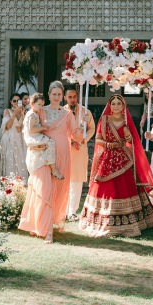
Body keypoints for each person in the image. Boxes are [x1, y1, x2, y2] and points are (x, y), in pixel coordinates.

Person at [79, 94, 153, 237]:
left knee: (125, 186)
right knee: (105, 188)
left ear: (123, 106)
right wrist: (109, 145)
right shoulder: (104, 120)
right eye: (113, 103)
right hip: (107, 159)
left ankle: (129, 222)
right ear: (110, 106)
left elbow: (131, 141)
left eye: (119, 103)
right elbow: (97, 139)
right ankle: (102, 221)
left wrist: (128, 135)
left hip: (124, 160)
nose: (116, 106)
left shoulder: (126, 121)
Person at [18, 81, 75, 243]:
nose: (56, 97)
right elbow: (28, 130)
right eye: (54, 94)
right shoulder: (40, 110)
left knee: (56, 190)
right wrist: (34, 145)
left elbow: (75, 134)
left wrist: (85, 127)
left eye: (59, 94)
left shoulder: (68, 114)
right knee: (44, 190)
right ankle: (46, 229)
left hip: (61, 155)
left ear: (63, 96)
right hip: (41, 155)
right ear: (49, 95)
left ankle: (47, 224)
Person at [64, 85, 95, 220]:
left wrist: (83, 140)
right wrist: (70, 141)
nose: (72, 99)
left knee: (76, 182)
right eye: (70, 97)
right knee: (64, 181)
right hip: (65, 149)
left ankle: (72, 211)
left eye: (74, 97)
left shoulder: (85, 112)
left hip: (80, 149)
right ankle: (63, 211)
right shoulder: (61, 112)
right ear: (65, 98)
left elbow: (91, 129)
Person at [23, 93, 62, 179]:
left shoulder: (35, 113)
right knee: (51, 143)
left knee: (48, 144)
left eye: (42, 105)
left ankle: (49, 164)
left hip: (35, 136)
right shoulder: (32, 114)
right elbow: (31, 129)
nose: (41, 107)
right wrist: (43, 128)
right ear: (32, 103)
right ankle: (53, 169)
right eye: (39, 104)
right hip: (33, 137)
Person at [0, 93, 28, 182]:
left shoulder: (24, 111)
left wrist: (23, 114)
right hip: (10, 139)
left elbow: (25, 127)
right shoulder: (7, 111)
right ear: (11, 102)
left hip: (20, 140)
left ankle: (21, 185)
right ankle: (10, 184)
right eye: (14, 101)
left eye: (18, 101)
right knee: (10, 162)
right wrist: (14, 113)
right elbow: (7, 126)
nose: (16, 103)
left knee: (22, 163)